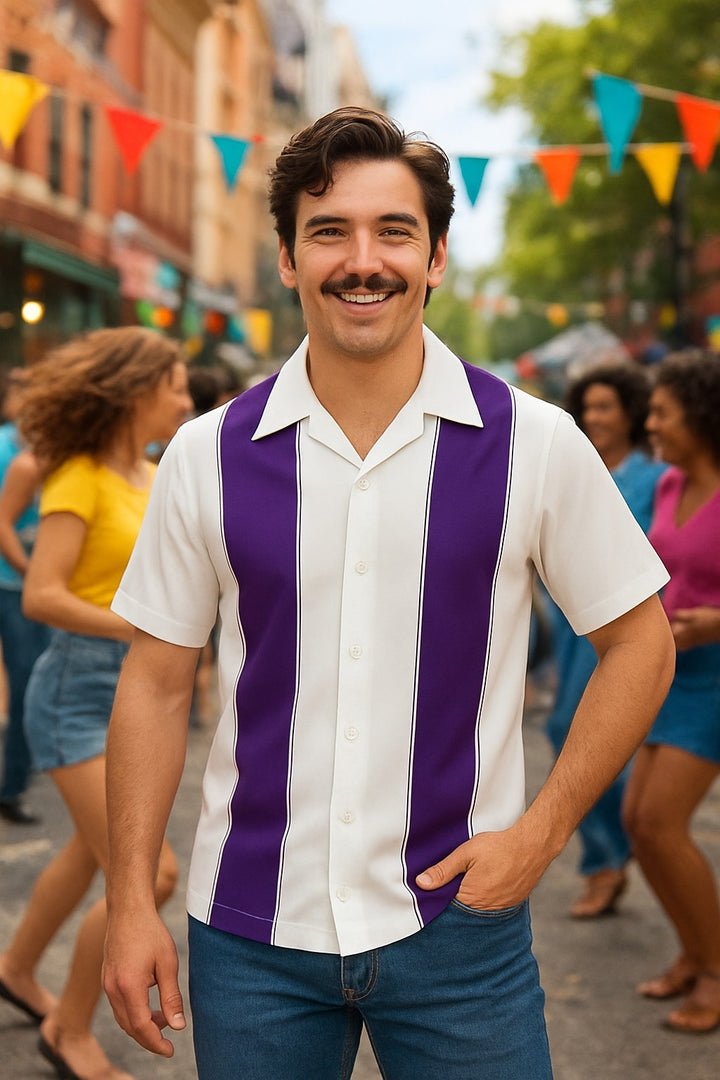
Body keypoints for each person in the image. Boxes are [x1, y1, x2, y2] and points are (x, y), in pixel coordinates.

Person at [102, 107, 674, 1080]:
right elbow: (156, 685)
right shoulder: (205, 455)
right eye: (329, 231)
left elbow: (641, 641)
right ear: (287, 258)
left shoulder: (533, 443)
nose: (361, 260)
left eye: (393, 232)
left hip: (462, 934)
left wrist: (542, 833)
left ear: (438, 256)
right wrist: (125, 906)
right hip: (250, 939)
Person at [0, 327, 192, 1080]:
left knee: (91, 852)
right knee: (149, 875)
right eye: (174, 385)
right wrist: (148, 627)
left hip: (135, 693)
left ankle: (16, 969)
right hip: (78, 693)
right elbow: (44, 594)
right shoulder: (78, 475)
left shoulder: (156, 474)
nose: (185, 399)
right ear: (134, 389)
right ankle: (69, 1030)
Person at [544, 363, 666, 917]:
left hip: (630, 627)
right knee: (561, 725)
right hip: (570, 626)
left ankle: (607, 862)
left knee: (590, 730)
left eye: (606, 407)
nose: (594, 417)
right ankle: (611, 857)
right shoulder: (572, 464)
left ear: (631, 414)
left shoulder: (655, 479)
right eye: (587, 407)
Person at [623, 349, 720, 1034]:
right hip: (668, 671)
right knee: (637, 823)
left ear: (700, 414)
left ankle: (717, 971)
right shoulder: (666, 485)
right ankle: (693, 951)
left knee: (661, 822)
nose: (650, 422)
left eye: (661, 411)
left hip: (715, 679)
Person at [0, 370, 49, 825]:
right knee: (23, 686)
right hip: (14, 588)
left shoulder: (54, 451)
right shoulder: (8, 452)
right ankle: (11, 786)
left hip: (35, 588)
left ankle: (19, 774)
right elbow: (3, 524)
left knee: (33, 684)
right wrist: (34, 574)